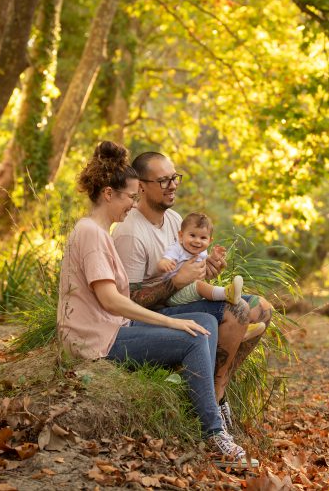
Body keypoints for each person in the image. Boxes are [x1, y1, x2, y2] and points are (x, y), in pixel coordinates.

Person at [57, 141, 255, 466]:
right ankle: (213, 434)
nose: (133, 204)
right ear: (109, 194)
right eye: (130, 197)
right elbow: (112, 300)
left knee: (205, 323)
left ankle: (207, 403)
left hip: (114, 329)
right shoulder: (91, 233)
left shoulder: (98, 232)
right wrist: (172, 323)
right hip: (95, 341)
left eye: (136, 197)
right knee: (195, 335)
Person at [111, 151, 274, 428]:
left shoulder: (176, 220)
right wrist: (176, 281)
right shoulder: (130, 232)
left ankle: (217, 389)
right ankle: (214, 398)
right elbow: (127, 300)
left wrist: (208, 268)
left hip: (184, 300)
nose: (173, 185)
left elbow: (190, 266)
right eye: (163, 180)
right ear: (140, 186)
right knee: (237, 310)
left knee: (264, 309)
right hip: (151, 316)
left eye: (174, 177)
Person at [158, 212, 244, 307]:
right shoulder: (177, 249)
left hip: (190, 289)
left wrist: (214, 257)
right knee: (199, 285)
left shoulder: (202, 252)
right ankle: (226, 293)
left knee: (202, 287)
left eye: (203, 238)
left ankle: (231, 297)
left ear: (210, 241)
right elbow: (166, 259)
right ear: (181, 236)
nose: (197, 241)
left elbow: (206, 264)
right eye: (192, 235)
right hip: (172, 295)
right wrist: (164, 263)